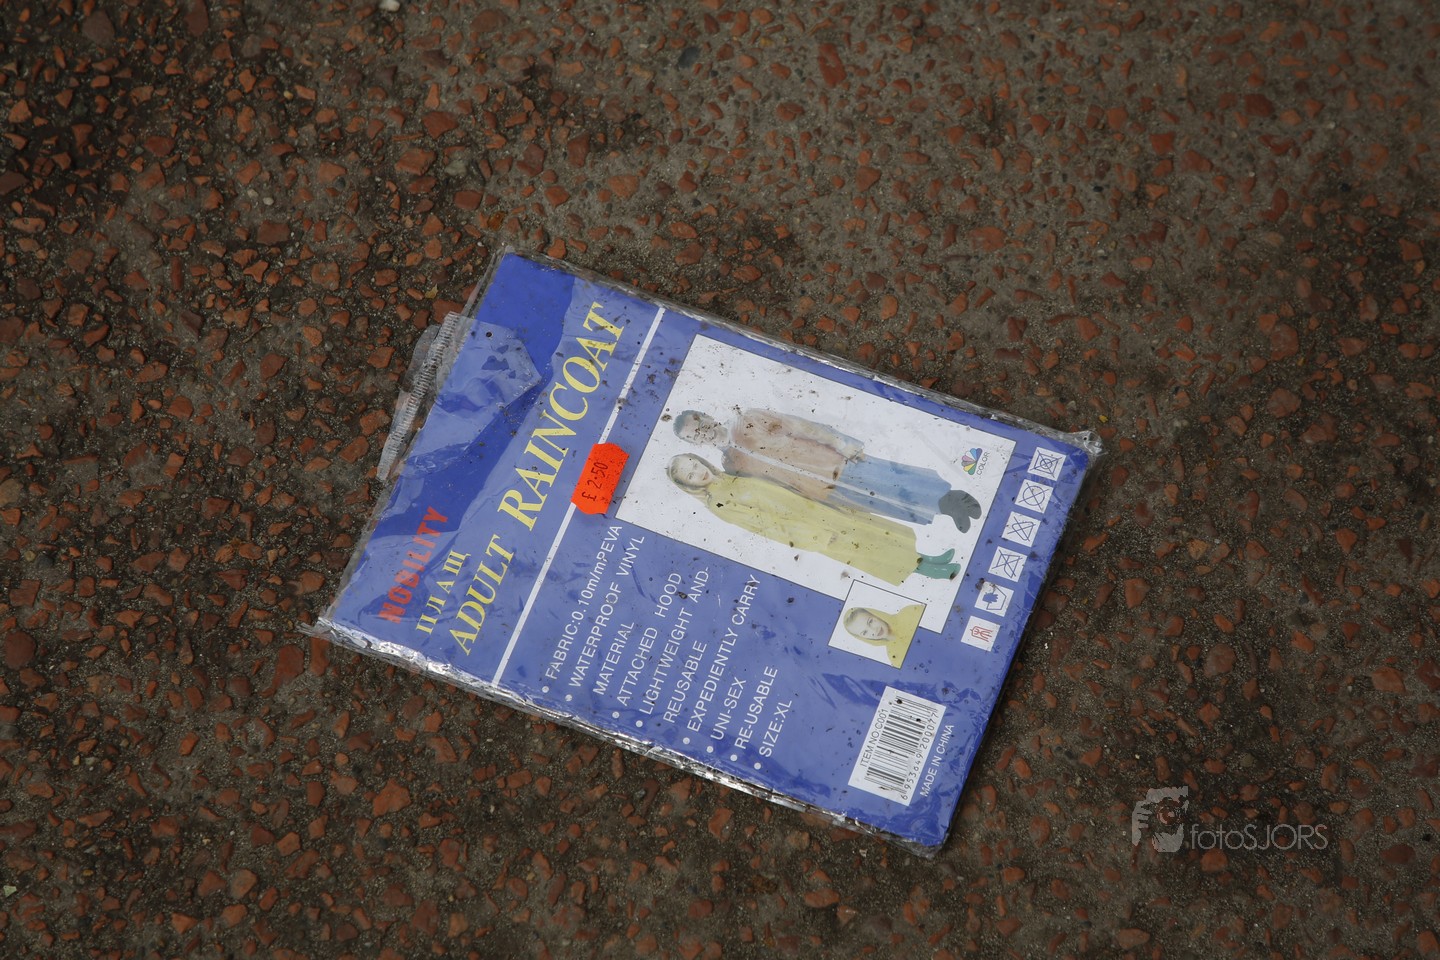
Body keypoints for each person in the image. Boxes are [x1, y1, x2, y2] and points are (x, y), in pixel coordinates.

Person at [667, 454, 960, 585]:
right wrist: (815, 537)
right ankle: (932, 572)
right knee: (874, 551)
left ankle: (928, 559)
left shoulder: (729, 478)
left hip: (818, 511)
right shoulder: (719, 503)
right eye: (690, 474)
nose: (698, 472)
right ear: (688, 485)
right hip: (813, 529)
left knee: (879, 534)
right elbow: (766, 526)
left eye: (694, 464)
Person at [673, 408, 982, 531]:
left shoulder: (747, 419)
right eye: (694, 435)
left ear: (707, 416)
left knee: (890, 480)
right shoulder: (730, 465)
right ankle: (945, 511)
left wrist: (841, 443)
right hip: (819, 491)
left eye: (700, 424)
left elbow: (800, 425)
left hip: (833, 462)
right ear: (694, 443)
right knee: (881, 504)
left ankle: (953, 497)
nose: (702, 433)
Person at [842, 605, 923, 667]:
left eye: (870, 622)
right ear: (863, 638)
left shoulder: (910, 613)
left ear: (877, 614)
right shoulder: (894, 655)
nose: (874, 630)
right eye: (865, 632)